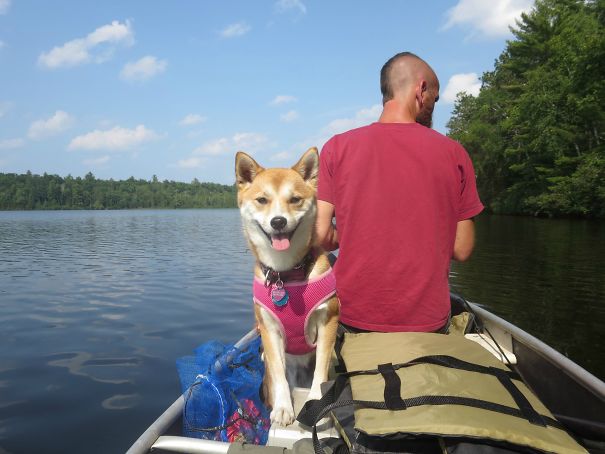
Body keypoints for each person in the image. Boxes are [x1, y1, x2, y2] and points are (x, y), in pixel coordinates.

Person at [315, 52, 484, 334]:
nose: (434, 106)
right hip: (427, 324)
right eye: (435, 98)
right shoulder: (454, 153)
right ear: (421, 90)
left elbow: (321, 235)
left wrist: (351, 235)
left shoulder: (336, 148)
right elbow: (462, 249)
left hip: (351, 320)